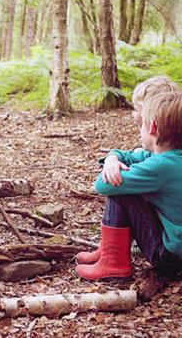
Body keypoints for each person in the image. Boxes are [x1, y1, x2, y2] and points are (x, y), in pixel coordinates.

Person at [76, 91, 182, 281]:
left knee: (121, 191)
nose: (139, 130)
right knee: (124, 181)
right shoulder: (171, 158)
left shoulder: (160, 167)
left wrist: (112, 171)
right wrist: (112, 158)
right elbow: (132, 155)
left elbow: (103, 185)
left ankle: (114, 263)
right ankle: (107, 251)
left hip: (170, 256)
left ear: (153, 128)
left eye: (141, 125)